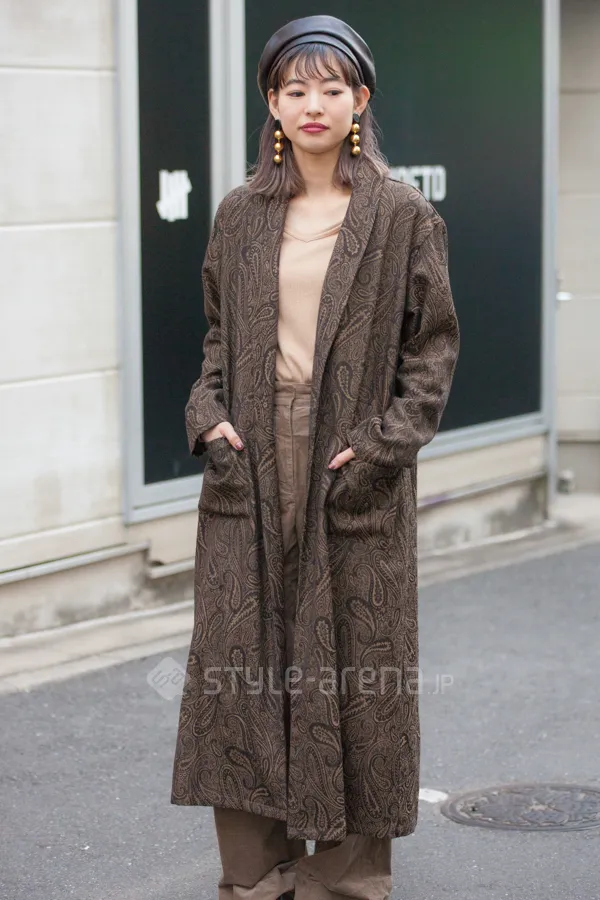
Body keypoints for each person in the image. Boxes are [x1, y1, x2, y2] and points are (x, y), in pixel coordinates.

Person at [172, 14, 460, 900]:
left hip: (349, 460)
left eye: (332, 88)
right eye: (295, 88)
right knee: (246, 665)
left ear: (360, 100)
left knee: (353, 670)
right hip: (252, 458)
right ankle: (256, 872)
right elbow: (217, 336)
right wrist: (207, 417)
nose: (313, 104)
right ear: (272, 102)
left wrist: (382, 448)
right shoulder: (240, 214)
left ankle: (342, 877)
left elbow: (433, 350)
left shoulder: (401, 215)